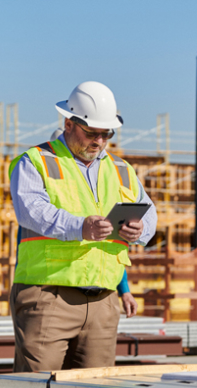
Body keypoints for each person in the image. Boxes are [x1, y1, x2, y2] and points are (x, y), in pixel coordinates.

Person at [9, 81, 156, 372]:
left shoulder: (122, 170)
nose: (100, 141)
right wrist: (80, 227)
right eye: (92, 133)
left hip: (103, 301)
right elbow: (31, 211)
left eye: (106, 134)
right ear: (68, 123)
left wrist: (140, 231)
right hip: (49, 294)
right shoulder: (36, 162)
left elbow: (149, 213)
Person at [49, 127, 139, 319]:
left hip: (97, 294)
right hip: (53, 292)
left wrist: (125, 291)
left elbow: (108, 251)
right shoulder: (45, 196)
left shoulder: (93, 193)